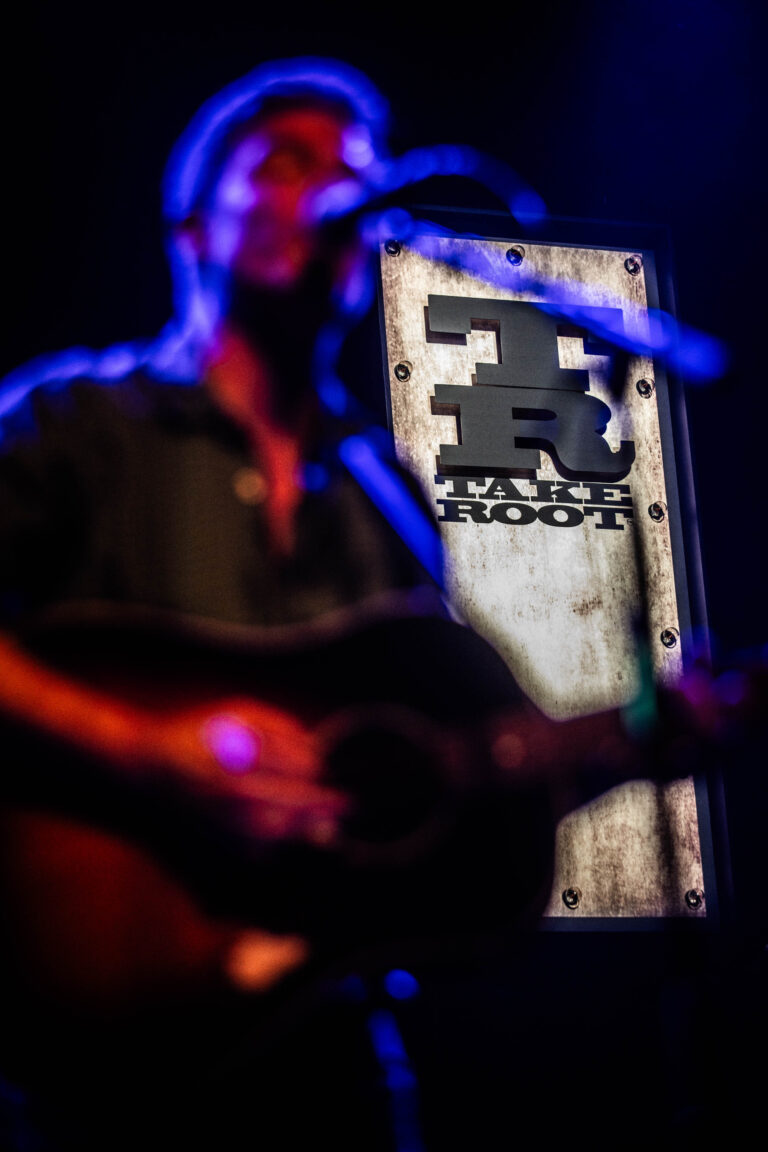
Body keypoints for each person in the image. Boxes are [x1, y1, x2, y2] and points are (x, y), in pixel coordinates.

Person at [0, 57, 556, 1151]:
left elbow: (413, 773)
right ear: (193, 231)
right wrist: (150, 753)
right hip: (93, 1045)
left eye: (358, 170)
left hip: (325, 1044)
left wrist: (647, 732)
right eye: (289, 165)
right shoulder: (71, 423)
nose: (341, 187)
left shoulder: (386, 500)